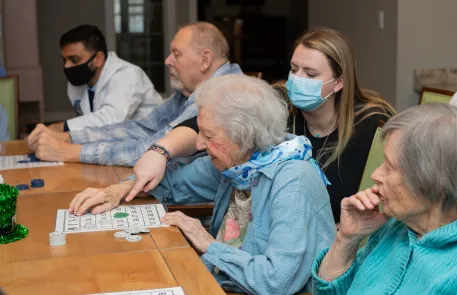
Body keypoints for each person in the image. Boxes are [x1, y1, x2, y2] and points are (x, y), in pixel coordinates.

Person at [68, 75, 336, 294]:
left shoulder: (293, 180)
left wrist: (207, 244)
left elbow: (278, 281)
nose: (198, 144)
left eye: (208, 135)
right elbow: (173, 182)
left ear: (243, 137)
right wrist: (118, 190)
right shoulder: (240, 162)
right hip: (217, 281)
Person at [127, 28, 396, 222]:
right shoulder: (280, 102)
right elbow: (205, 124)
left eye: (310, 74)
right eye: (294, 69)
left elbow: (383, 201)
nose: (297, 79)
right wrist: (160, 151)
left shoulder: (372, 123)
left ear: (339, 82)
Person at [312, 103, 457, 294]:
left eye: (390, 167)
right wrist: (346, 239)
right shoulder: (393, 227)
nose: (375, 174)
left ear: (433, 181)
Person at [26, 22, 242, 166]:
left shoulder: (218, 94)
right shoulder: (188, 92)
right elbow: (141, 127)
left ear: (205, 60)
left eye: (176, 54)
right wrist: (69, 137)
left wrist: (68, 151)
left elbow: (151, 149)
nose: (167, 61)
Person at [47, 24, 163, 132]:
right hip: (116, 139)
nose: (67, 66)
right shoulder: (78, 83)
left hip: (152, 139)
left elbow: (111, 119)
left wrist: (63, 127)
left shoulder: (127, 74)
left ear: (98, 59)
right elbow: (89, 123)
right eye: (64, 60)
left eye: (74, 60)